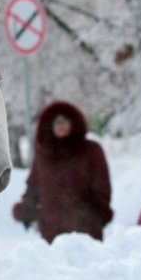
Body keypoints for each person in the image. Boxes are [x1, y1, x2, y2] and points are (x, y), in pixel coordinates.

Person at [12, 100, 114, 243]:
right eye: (56, 122)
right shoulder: (43, 154)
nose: (60, 126)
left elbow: (102, 187)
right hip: (51, 234)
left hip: (86, 233)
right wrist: (26, 210)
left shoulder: (91, 150)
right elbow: (33, 187)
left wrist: (95, 214)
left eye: (65, 121)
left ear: (73, 123)